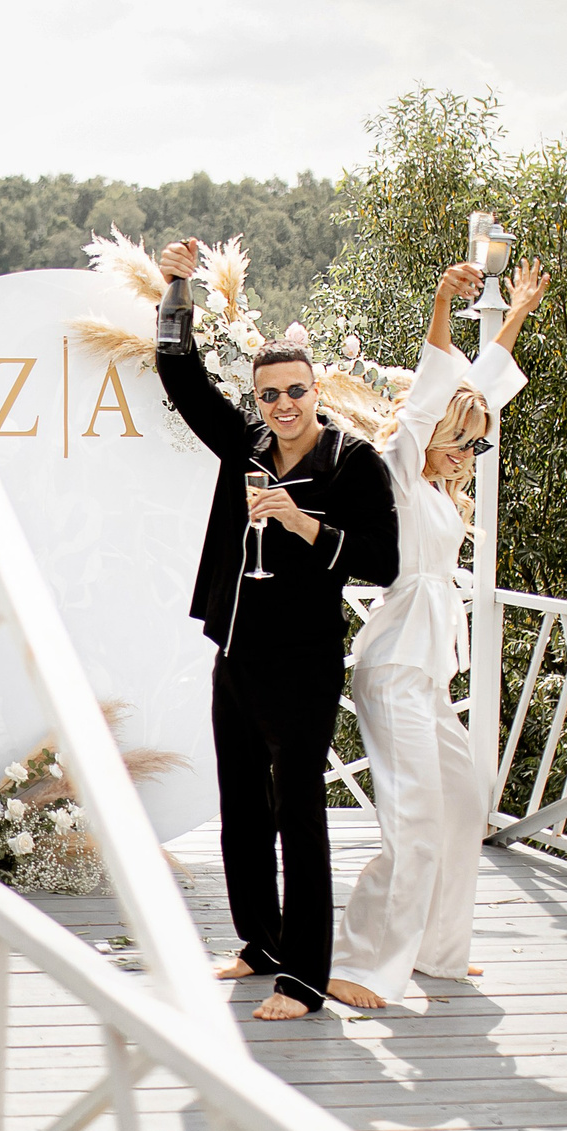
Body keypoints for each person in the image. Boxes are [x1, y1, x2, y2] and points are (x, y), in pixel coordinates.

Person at [153, 238, 399, 1021]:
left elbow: (386, 561)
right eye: (269, 395)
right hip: (238, 654)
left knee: (300, 813)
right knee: (243, 808)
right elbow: (181, 378)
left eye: (295, 391)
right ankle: (260, 942)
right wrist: (176, 287)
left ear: (315, 388)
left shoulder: (352, 463)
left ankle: (304, 978)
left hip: (304, 665)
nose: (282, 406)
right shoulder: (249, 444)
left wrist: (303, 524)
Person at [327, 256, 549, 1011]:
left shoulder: (439, 483)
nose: (467, 455)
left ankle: (438, 950)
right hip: (391, 665)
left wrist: (516, 312)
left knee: (464, 798)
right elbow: (435, 393)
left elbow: (476, 394)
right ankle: (360, 961)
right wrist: (439, 304)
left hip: (429, 670)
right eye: (461, 443)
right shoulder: (394, 469)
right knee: (415, 818)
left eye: (476, 447)